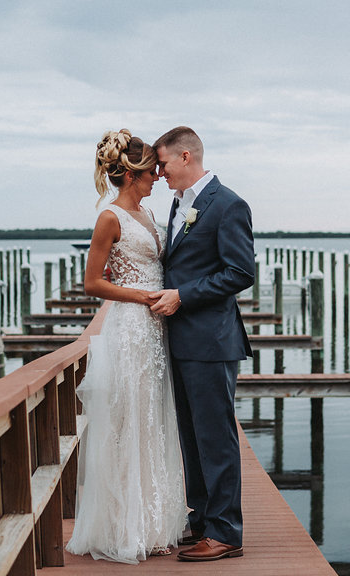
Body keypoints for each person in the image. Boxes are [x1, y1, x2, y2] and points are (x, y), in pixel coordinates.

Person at [65, 129, 187, 564]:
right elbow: (92, 282)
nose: (158, 175)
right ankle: (122, 525)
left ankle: (155, 522)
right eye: (152, 170)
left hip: (157, 329)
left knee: (153, 416)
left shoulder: (150, 214)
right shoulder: (109, 218)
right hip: (131, 328)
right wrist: (141, 297)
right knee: (128, 419)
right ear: (132, 173)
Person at [150, 126, 255, 562]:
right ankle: (203, 523)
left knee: (216, 438)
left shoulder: (228, 204)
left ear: (187, 157)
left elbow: (240, 272)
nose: (158, 173)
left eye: (163, 163)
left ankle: (226, 532)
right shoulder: (179, 205)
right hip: (180, 341)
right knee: (191, 439)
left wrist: (183, 295)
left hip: (211, 341)